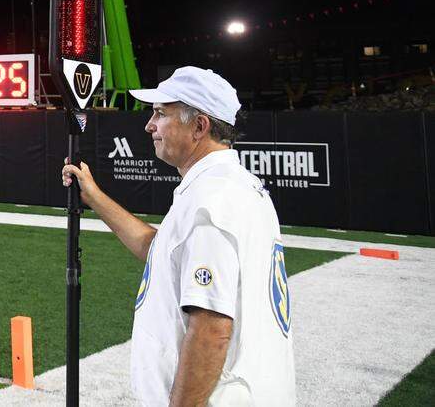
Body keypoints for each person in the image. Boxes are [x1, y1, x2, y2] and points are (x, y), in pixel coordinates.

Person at [62, 67, 294, 406]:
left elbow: (211, 329)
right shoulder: (231, 186)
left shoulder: (211, 202)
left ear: (199, 126)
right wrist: (94, 196)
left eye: (160, 113)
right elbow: (159, 250)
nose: (149, 125)